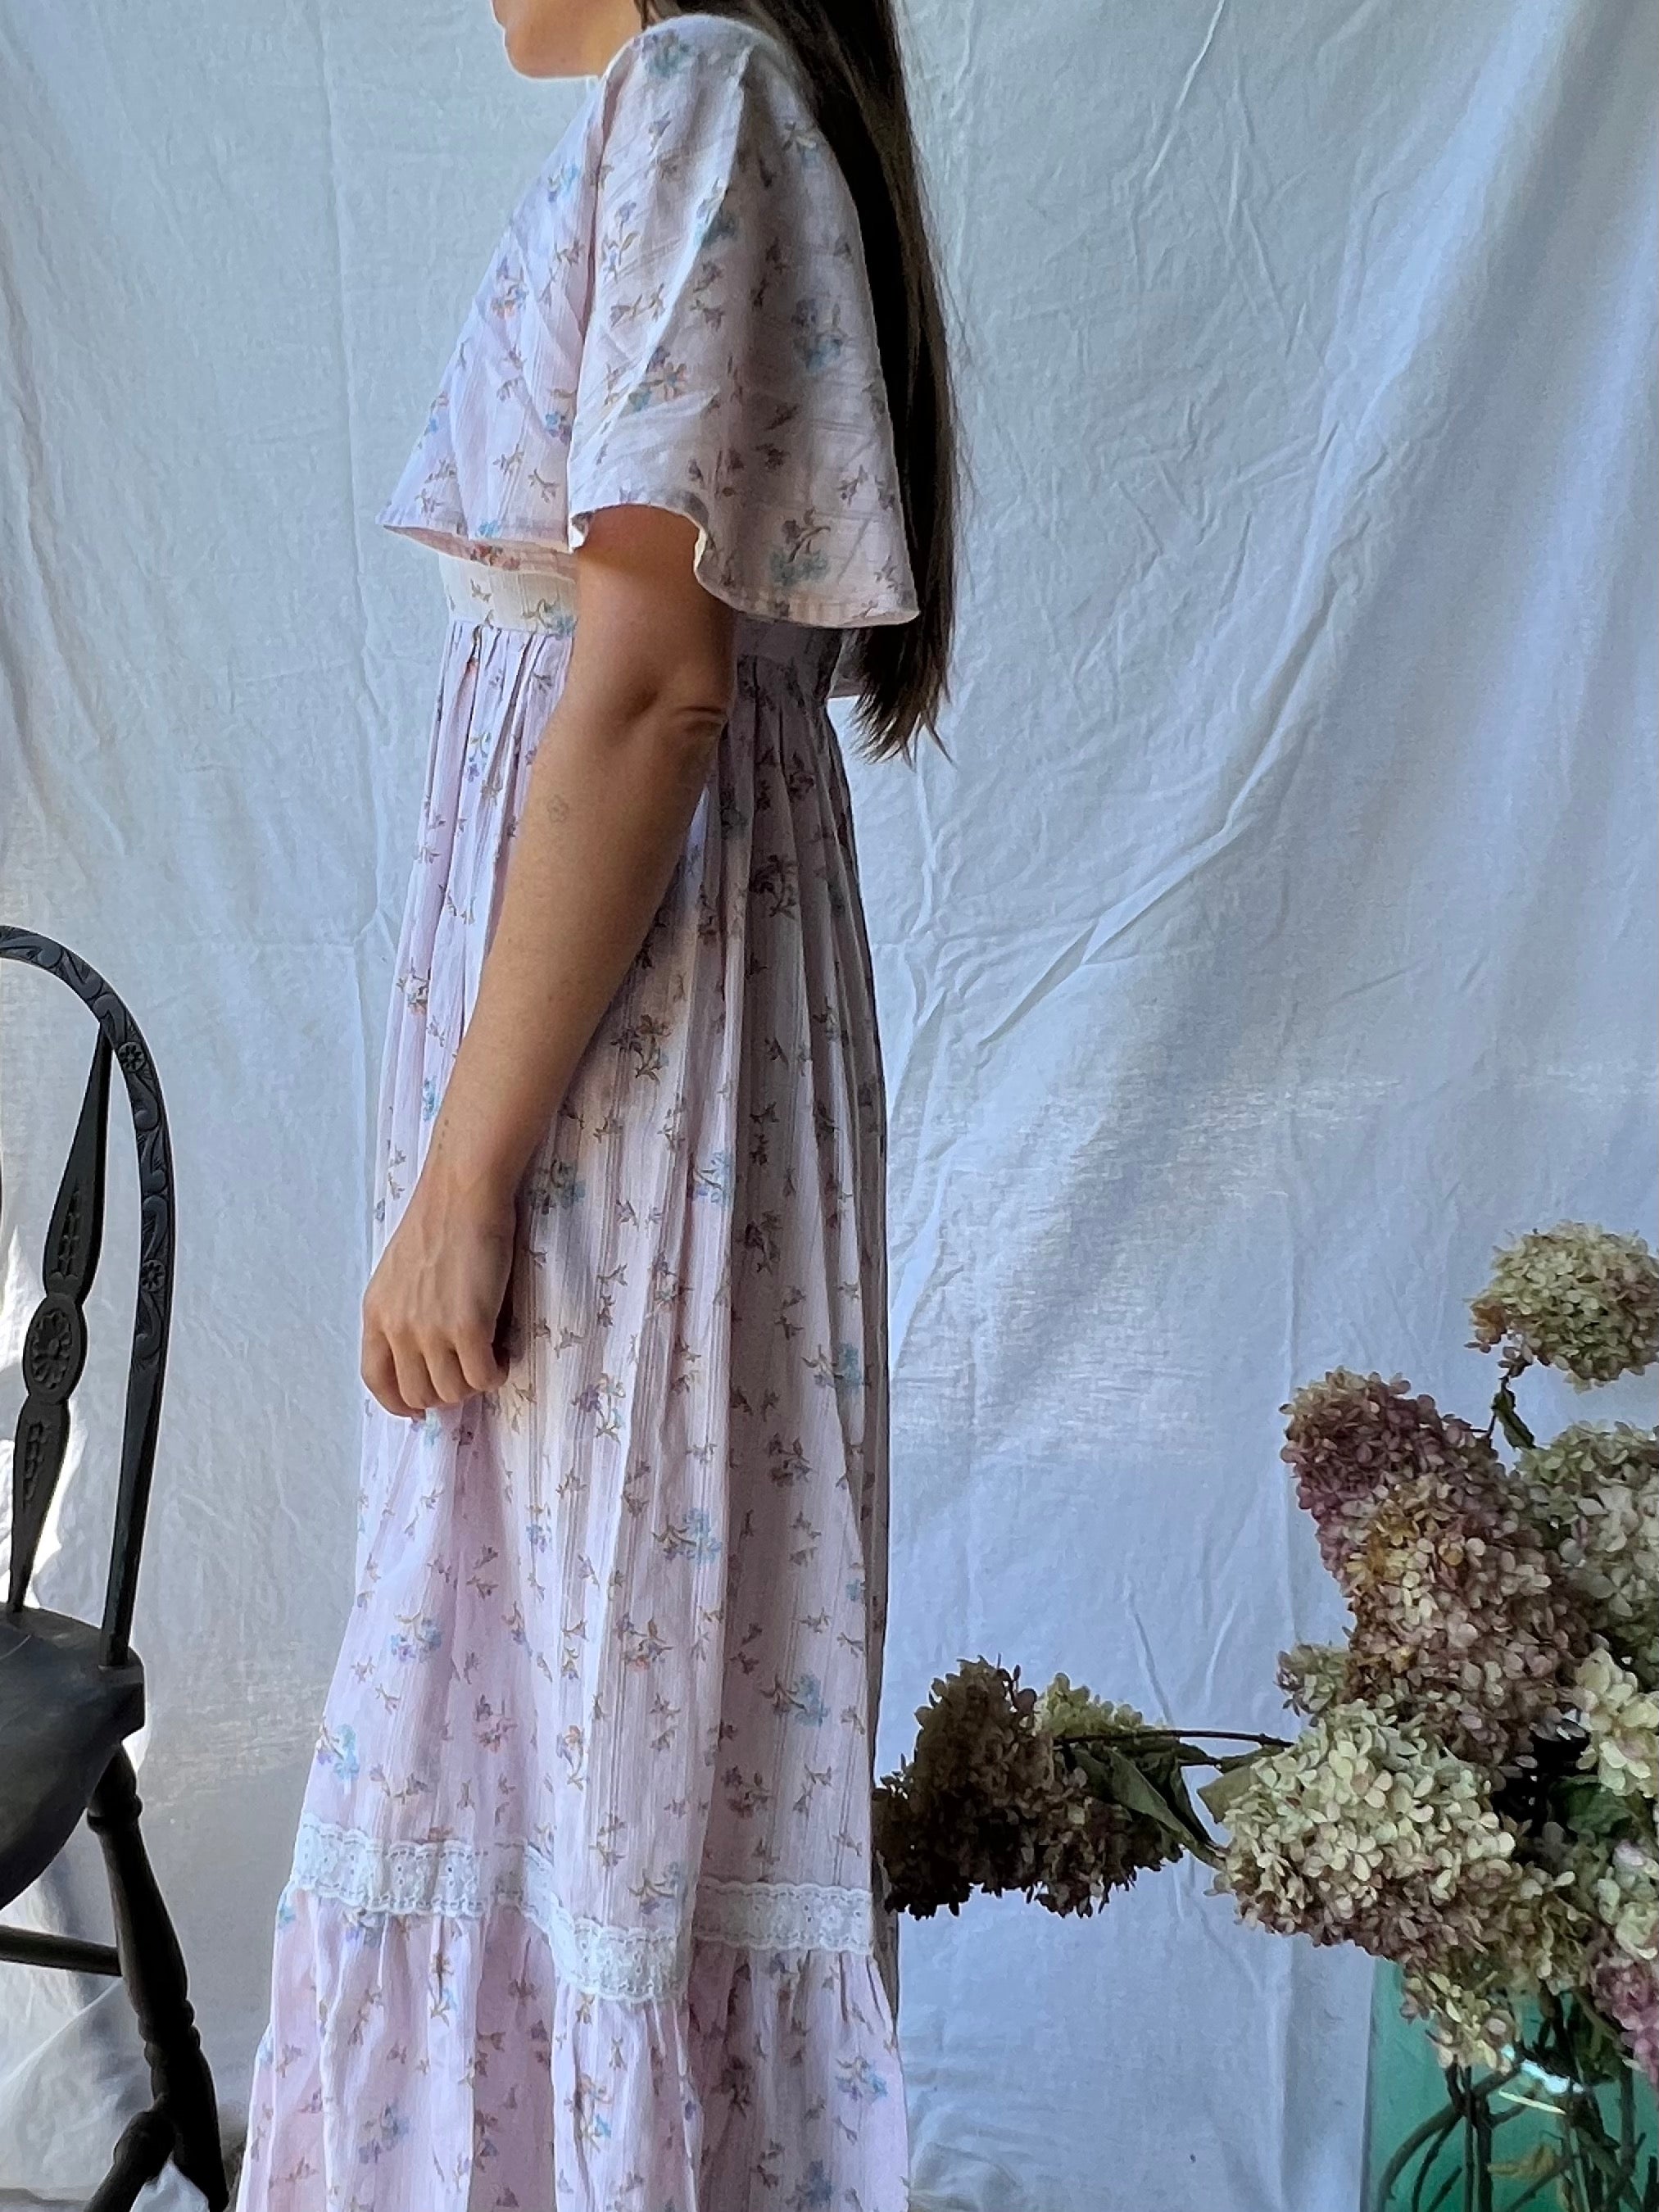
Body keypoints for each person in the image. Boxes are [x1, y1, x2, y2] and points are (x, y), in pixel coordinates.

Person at [233, 0, 959, 2203]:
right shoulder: (719, 105)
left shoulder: (700, 88)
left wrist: (466, 1179)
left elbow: (647, 691)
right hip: (644, 1070)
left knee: (575, 1734)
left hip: (625, 1100)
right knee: (574, 1731)